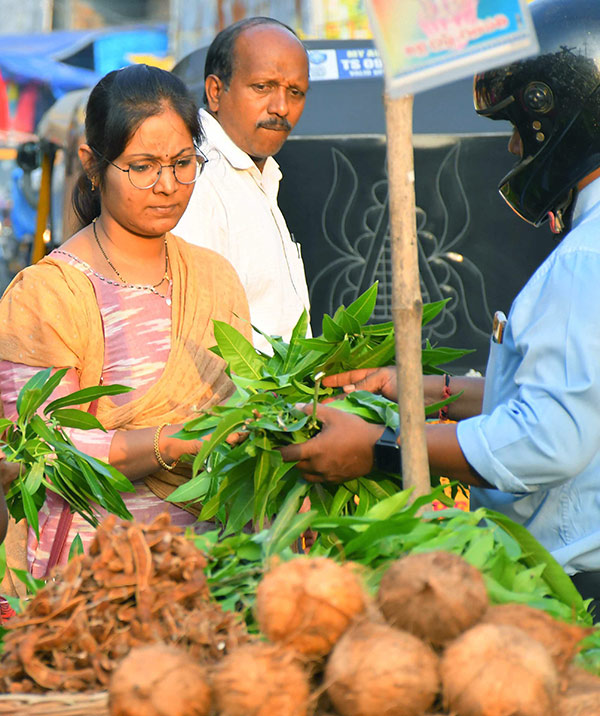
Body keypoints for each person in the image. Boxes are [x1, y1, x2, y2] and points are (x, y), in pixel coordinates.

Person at [281, 0, 600, 612]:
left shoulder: (586, 259)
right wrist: (427, 390)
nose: (512, 149)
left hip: (573, 590)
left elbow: (550, 438)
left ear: (554, 114)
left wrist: (383, 446)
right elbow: (571, 392)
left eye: (515, 127)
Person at [0, 64, 250, 579]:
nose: (167, 185)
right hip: (93, 584)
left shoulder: (215, 277)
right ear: (93, 164)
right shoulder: (46, 295)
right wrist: (171, 445)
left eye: (184, 163)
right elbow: (37, 452)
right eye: (142, 166)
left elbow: (246, 404)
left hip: (212, 573)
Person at [174, 17, 311, 353]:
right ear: (216, 92)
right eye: (263, 87)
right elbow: (197, 339)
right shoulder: (200, 180)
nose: (281, 108)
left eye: (295, 92)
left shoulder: (259, 174)